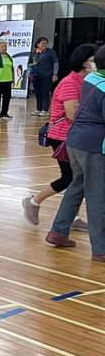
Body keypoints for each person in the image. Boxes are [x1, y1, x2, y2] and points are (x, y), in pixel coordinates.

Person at [23, 44, 99, 230]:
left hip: (76, 136)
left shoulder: (87, 82)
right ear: (84, 62)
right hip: (62, 136)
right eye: (92, 59)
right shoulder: (70, 83)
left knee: (78, 178)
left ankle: (71, 216)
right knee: (69, 177)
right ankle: (34, 201)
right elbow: (72, 114)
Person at [46, 44, 105, 260]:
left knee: (76, 186)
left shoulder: (91, 79)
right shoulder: (102, 87)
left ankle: (59, 231)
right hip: (93, 145)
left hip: (75, 141)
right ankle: (101, 248)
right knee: (98, 196)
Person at [30, 37, 59, 116]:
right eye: (42, 43)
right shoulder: (34, 52)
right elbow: (30, 64)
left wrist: (55, 74)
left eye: (46, 43)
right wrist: (30, 74)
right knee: (38, 92)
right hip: (36, 75)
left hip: (47, 75)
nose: (44, 45)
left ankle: (45, 110)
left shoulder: (51, 52)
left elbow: (55, 63)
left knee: (45, 92)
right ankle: (38, 109)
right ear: (37, 44)